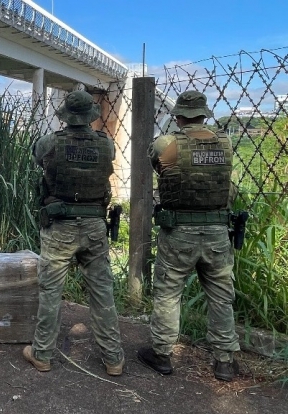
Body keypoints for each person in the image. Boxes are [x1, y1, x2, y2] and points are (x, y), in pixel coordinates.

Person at [137, 90, 240, 382]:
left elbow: (159, 169)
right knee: (221, 297)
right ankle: (223, 360)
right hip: (218, 232)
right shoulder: (226, 142)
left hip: (178, 232)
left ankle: (162, 354)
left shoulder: (166, 144)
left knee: (169, 294)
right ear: (204, 113)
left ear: (178, 115)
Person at [23, 90, 125, 376]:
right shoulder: (107, 145)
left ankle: (42, 354)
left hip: (59, 227)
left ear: (66, 115)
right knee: (103, 292)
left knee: (51, 291)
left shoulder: (49, 143)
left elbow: (37, 159)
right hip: (94, 226)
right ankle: (114, 359)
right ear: (91, 116)